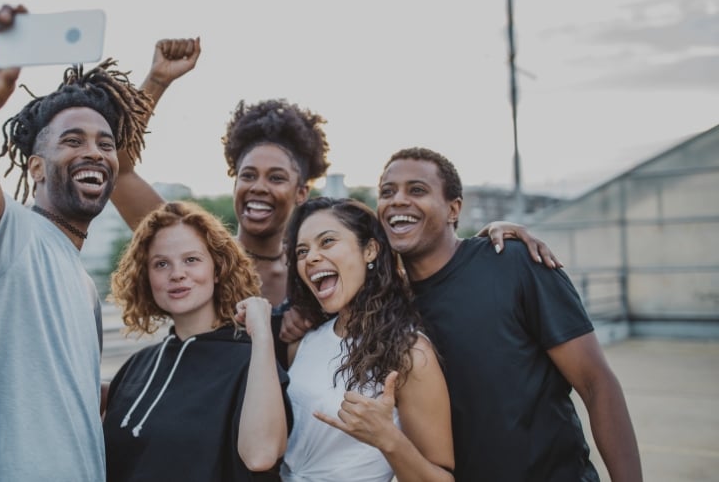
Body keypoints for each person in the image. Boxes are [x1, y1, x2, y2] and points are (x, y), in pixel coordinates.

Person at [115, 38, 562, 351]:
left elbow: (425, 250)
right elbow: (118, 169)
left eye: (276, 177)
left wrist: (491, 235)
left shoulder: (334, 265)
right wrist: (157, 81)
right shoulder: (201, 259)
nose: (258, 188)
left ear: (301, 189)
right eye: (247, 175)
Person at [0, 5, 152, 480]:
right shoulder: (10, 236)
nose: (93, 151)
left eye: (105, 144)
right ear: (36, 167)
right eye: (72, 140)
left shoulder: (78, 278)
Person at [376, 147, 642, 481]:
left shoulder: (513, 262)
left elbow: (596, 383)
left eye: (417, 190)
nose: (397, 200)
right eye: (387, 192)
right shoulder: (388, 306)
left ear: (453, 209)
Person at [103, 201, 290, 481]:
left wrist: (262, 333)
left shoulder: (251, 362)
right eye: (161, 263)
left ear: (217, 269)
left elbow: (262, 455)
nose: (177, 273)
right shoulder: (136, 366)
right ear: (146, 276)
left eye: (191, 260)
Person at [280, 197, 455, 481]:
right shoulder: (303, 342)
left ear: (370, 250)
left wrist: (388, 439)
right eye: (302, 251)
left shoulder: (410, 353)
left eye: (326, 242)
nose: (310, 257)